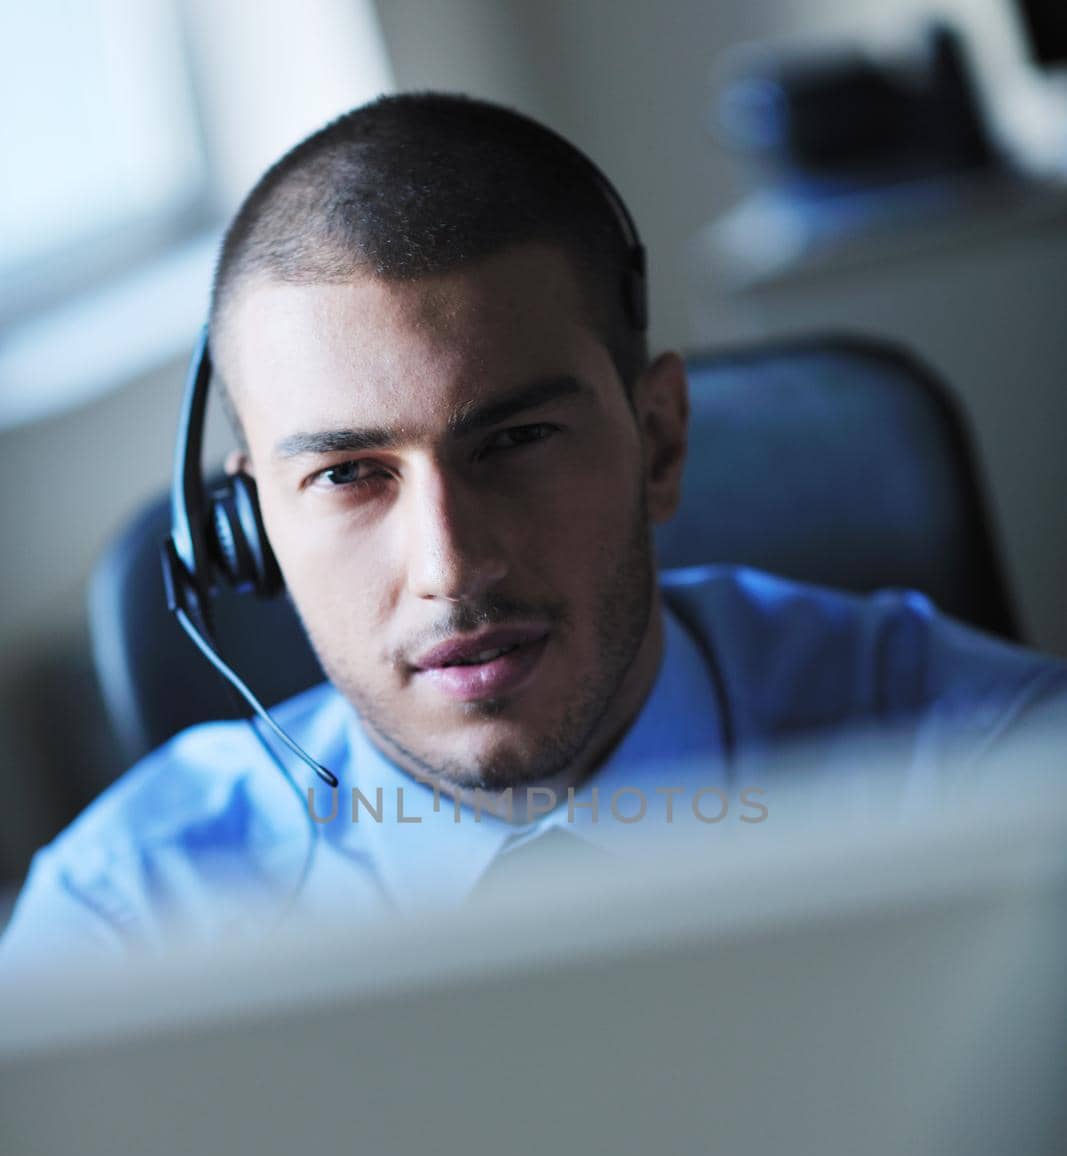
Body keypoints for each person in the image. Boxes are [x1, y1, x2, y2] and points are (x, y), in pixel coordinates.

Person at [2, 91, 1065, 967]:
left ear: (657, 442)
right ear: (252, 527)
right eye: (347, 475)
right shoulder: (125, 924)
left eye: (511, 442)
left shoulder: (997, 778)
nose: (450, 567)